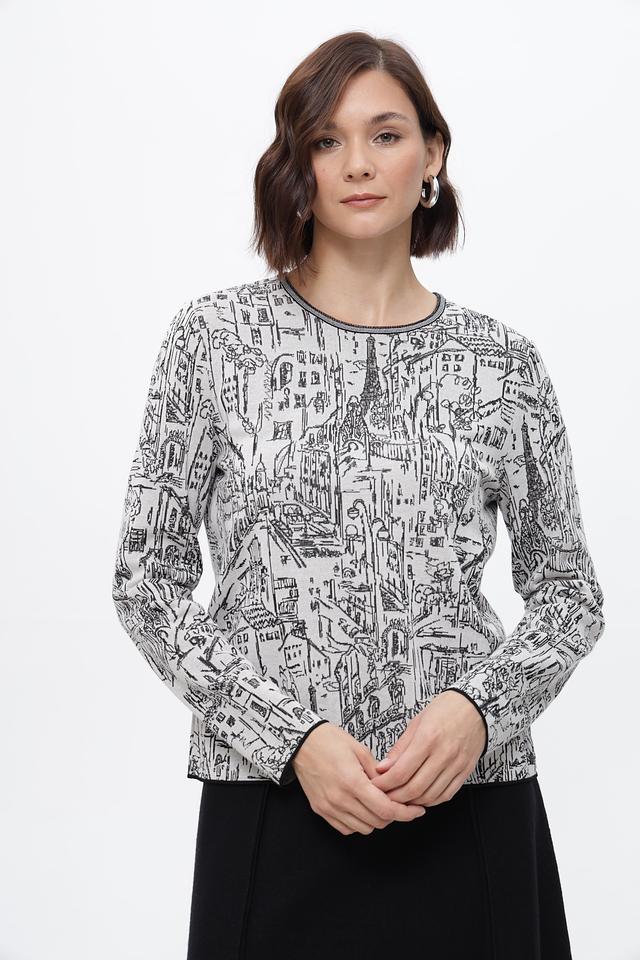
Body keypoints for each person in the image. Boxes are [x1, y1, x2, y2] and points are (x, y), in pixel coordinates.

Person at [111, 30, 605, 960]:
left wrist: (479, 711)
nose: (358, 164)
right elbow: (145, 581)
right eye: (326, 140)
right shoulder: (213, 343)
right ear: (296, 164)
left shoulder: (502, 364)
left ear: (433, 153)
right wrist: (290, 737)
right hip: (275, 802)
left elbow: (571, 595)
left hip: (471, 806)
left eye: (386, 134)